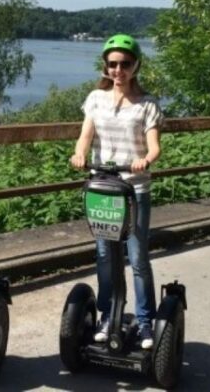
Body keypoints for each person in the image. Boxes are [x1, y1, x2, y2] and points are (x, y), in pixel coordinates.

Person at [70, 34, 162, 350]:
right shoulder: (95, 98)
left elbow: (154, 147)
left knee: (137, 258)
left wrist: (145, 160)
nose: (118, 70)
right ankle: (109, 315)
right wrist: (79, 154)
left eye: (124, 64)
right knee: (104, 255)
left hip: (134, 189)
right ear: (106, 66)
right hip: (104, 188)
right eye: (112, 64)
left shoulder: (148, 104)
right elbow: (85, 135)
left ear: (136, 65)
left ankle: (146, 321)